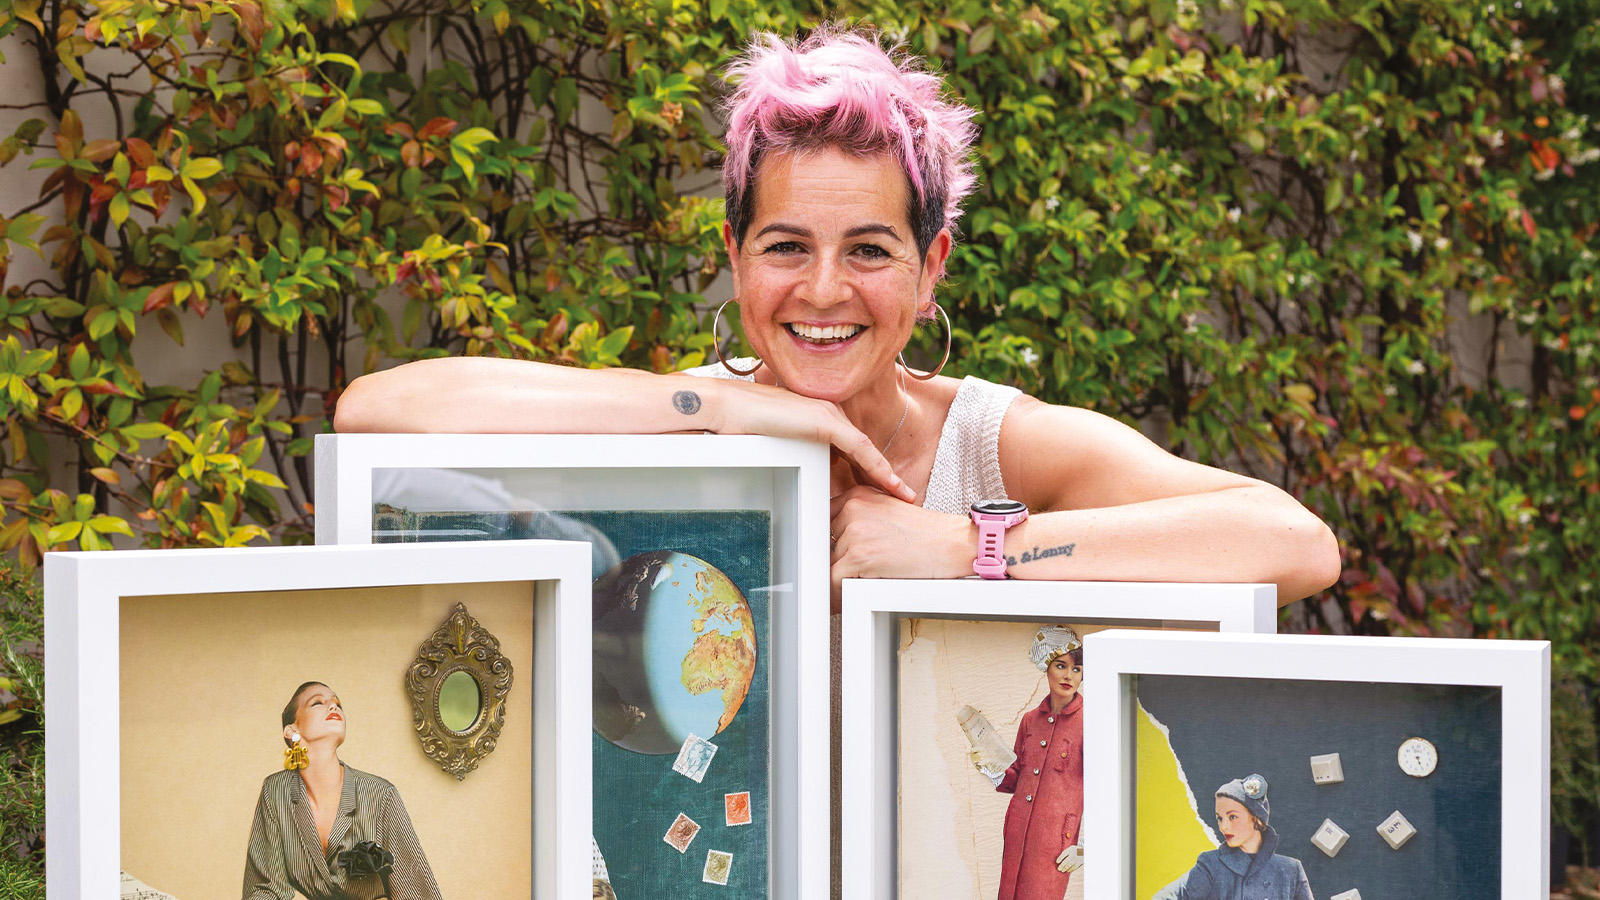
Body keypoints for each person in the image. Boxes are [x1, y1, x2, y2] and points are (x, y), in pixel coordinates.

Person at [332, 26, 1340, 608]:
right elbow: (377, 411)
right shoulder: (697, 418)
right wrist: (719, 410)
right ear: (733, 260)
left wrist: (970, 551)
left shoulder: (989, 448)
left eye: (868, 249)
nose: (822, 292)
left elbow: (1289, 541)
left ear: (929, 266)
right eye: (784, 248)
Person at [243, 682, 443, 900]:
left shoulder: (381, 795)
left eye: (338, 703)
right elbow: (264, 889)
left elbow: (415, 890)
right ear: (292, 730)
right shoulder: (276, 792)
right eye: (317, 703)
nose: (333, 707)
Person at [978, 625, 1085, 900]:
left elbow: (1108, 791)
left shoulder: (1090, 722)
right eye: (1060, 665)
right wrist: (989, 764)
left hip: (1056, 844)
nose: (1068, 676)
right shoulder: (1030, 720)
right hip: (1017, 833)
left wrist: (1085, 847)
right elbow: (1016, 777)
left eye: (1076, 669)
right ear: (1045, 667)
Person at [1155, 775, 1314, 900]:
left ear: (1256, 819)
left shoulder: (1290, 869)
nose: (1223, 826)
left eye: (1232, 817)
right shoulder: (1211, 865)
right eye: (1220, 818)